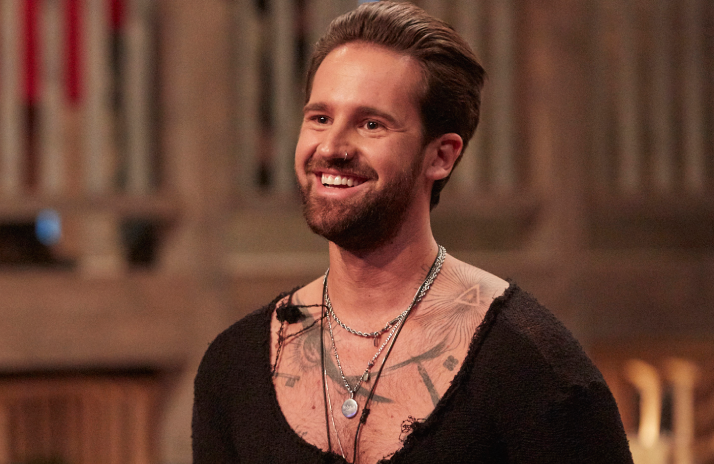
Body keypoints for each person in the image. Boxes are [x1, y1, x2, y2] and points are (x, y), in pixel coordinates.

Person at [192, 2, 633, 463]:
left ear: (441, 156)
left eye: (371, 124)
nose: (332, 146)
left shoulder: (533, 366)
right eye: (320, 118)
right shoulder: (235, 365)